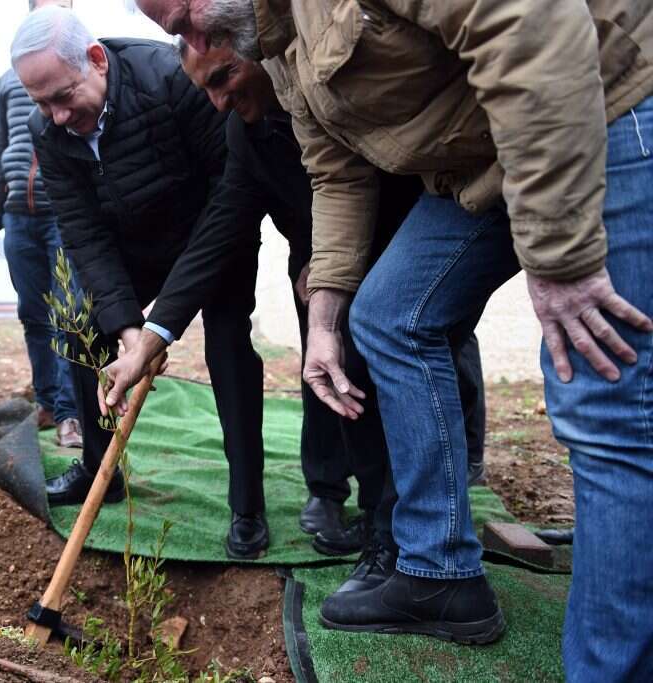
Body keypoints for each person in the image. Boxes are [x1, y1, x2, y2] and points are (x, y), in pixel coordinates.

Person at [136, 0, 653, 671]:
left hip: (600, 99)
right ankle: (441, 571)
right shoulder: (277, 41)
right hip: (488, 157)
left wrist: (561, 256)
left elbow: (530, 26)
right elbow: (335, 169)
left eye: (187, 14)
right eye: (175, 33)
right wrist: (325, 319)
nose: (197, 39)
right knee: (385, 318)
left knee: (605, 404)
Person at [105, 41, 485, 574]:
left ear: (261, 50)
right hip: (322, 256)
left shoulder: (337, 88)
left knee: (401, 351)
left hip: (416, 233)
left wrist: (347, 264)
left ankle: (421, 532)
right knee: (333, 367)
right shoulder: (247, 134)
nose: (218, 102)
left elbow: (391, 179)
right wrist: (151, 338)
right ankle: (375, 521)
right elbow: (218, 233)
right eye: (205, 89)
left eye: (224, 76)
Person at [11, 6, 269, 559]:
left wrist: (161, 328)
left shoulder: (171, 80)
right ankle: (99, 467)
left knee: (228, 344)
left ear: (97, 60)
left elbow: (231, 191)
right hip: (137, 245)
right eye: (42, 103)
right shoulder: (48, 132)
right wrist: (129, 329)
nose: (57, 116)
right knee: (84, 323)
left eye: (63, 96)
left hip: (213, 235)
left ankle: (248, 502)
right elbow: (84, 234)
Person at [0, 0, 82, 449]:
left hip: (65, 214)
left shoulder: (81, 71)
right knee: (32, 314)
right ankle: (46, 401)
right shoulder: (8, 81)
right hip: (17, 217)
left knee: (68, 314)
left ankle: (70, 413)